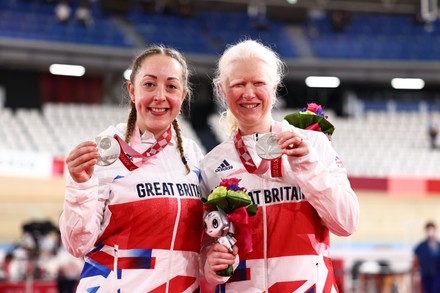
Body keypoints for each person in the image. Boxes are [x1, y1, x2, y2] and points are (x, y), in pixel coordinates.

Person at [199, 39, 360, 292]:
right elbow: (206, 242)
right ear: (221, 89)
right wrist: (209, 263)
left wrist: (308, 165)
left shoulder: (314, 145)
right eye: (238, 84)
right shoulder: (211, 165)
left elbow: (347, 222)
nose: (249, 93)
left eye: (258, 83)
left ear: (274, 86)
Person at [59, 45, 205, 292]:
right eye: (149, 84)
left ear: (183, 96)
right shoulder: (104, 154)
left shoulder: (193, 156)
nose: (160, 96)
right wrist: (80, 186)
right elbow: (77, 245)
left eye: (171, 86)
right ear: (132, 91)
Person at [412, 221, 440, 293]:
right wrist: (415, 274)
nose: (430, 232)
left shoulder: (438, 245)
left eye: (432, 230)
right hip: (426, 275)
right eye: (428, 230)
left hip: (437, 276)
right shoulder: (422, 246)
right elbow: (416, 260)